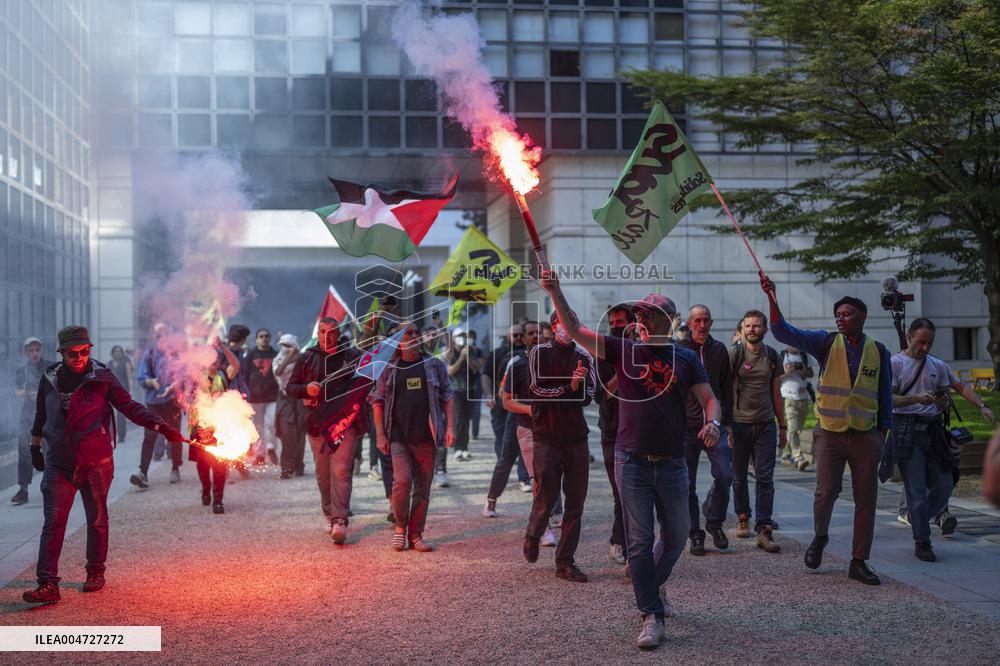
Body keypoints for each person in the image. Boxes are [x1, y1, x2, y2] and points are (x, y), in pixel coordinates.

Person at [540, 274, 721, 649]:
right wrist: (556, 291)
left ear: (668, 320)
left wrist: (714, 422)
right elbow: (574, 329)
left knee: (675, 539)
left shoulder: (685, 357)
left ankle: (650, 585)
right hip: (631, 461)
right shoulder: (622, 350)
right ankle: (651, 615)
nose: (641, 318)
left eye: (649, 314)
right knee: (640, 541)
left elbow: (709, 399)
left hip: (672, 463)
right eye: (639, 312)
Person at [23, 326, 186, 604]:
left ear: (90, 349)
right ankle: (48, 584)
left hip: (95, 461)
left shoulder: (101, 377)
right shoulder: (49, 377)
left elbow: (130, 407)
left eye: (84, 352)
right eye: (73, 353)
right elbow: (40, 415)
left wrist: (162, 426)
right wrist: (34, 446)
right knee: (53, 523)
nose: (79, 358)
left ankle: (95, 572)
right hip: (59, 462)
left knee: (97, 519)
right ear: (61, 352)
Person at [763, 274, 892, 585]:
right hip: (830, 434)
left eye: (847, 314)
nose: (841, 318)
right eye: (838, 315)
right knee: (825, 493)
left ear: (863, 317)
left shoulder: (880, 351)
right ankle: (820, 536)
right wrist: (772, 297)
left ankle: (858, 561)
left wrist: (881, 437)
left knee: (866, 500)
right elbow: (781, 331)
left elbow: (885, 396)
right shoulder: (825, 342)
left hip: (865, 435)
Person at [891, 318, 995, 561]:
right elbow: (887, 399)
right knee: (915, 490)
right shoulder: (895, 363)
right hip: (907, 431)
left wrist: (981, 405)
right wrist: (915, 399)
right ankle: (922, 541)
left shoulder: (937, 365)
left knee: (945, 485)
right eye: (921, 342)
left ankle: (919, 520)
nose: (925, 348)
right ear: (909, 337)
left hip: (934, 431)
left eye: (930, 343)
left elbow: (959, 388)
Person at [521, 311, 595, 583]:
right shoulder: (539, 353)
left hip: (576, 438)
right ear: (553, 327)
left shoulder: (584, 355)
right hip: (546, 437)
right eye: (562, 324)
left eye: (572, 323)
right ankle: (533, 533)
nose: (568, 329)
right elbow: (536, 390)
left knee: (575, 503)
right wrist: (570, 386)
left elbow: (589, 395)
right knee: (546, 496)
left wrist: (578, 386)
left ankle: (565, 561)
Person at [371, 323, 455, 552]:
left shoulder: (434, 365)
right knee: (403, 481)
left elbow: (448, 395)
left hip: (427, 437)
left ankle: (416, 533)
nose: (414, 336)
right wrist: (380, 435)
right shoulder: (388, 368)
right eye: (408, 333)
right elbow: (377, 402)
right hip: (398, 437)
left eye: (417, 332)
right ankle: (400, 527)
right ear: (398, 339)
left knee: (423, 488)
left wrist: (450, 428)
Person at [286, 317, 364, 544]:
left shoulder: (351, 357)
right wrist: (306, 389)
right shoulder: (306, 358)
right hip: (317, 424)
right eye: (322, 332)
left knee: (341, 471)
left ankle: (340, 520)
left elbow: (365, 383)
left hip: (345, 423)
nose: (327, 337)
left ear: (339, 334)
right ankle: (329, 512)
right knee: (323, 474)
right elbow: (290, 388)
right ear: (317, 333)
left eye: (332, 332)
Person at [678, 305, 734, 556]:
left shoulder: (719, 350)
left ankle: (714, 521)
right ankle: (695, 534)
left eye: (706, 320)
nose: (702, 325)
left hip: (715, 426)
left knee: (725, 475)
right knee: (686, 484)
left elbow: (724, 388)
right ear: (689, 324)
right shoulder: (678, 350)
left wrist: (728, 424)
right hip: (686, 429)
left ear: (711, 323)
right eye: (697, 321)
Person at [729, 310, 785, 553]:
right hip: (739, 423)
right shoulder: (735, 354)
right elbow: (727, 389)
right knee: (738, 475)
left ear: (765, 329)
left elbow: (776, 393)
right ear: (742, 329)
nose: (752, 329)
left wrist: (782, 425)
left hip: (765, 424)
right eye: (748, 326)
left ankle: (764, 528)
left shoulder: (772, 355)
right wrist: (728, 425)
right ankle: (743, 516)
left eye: (757, 325)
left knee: (765, 477)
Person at [484, 322, 543, 517]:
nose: (534, 337)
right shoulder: (513, 360)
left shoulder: (550, 359)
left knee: (547, 465)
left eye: (538, 333)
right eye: (528, 334)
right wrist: (524, 407)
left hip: (543, 418)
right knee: (506, 459)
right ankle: (492, 499)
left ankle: (553, 511)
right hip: (516, 416)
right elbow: (503, 392)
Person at [595, 305, 633, 564]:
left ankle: (633, 545)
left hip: (640, 431)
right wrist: (619, 374)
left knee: (637, 492)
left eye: (620, 322)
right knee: (620, 491)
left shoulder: (641, 351)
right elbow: (598, 396)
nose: (615, 326)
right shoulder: (603, 356)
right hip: (612, 432)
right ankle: (619, 542)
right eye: (612, 322)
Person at [188, 342, 241, 514]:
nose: (212, 362)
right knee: (203, 464)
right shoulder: (196, 375)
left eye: (215, 359)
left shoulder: (224, 375)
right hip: (199, 426)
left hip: (221, 425)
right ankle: (206, 488)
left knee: (220, 464)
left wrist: (224, 347)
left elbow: (236, 365)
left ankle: (218, 500)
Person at [131, 324, 184, 488]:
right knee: (149, 436)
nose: (165, 341)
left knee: (174, 435)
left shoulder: (176, 355)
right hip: (153, 402)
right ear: (157, 339)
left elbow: (182, 375)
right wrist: (152, 382)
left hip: (172, 401)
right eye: (161, 338)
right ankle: (143, 473)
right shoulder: (149, 355)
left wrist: (172, 386)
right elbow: (141, 377)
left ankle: (175, 468)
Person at [481, 324, 530, 492]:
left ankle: (524, 478)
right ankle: (502, 474)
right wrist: (488, 395)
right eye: (514, 335)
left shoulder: (529, 356)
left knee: (524, 444)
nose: (517, 338)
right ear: (507, 336)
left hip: (520, 407)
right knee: (503, 445)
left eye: (520, 335)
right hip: (500, 406)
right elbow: (486, 375)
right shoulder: (497, 353)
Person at [11, 337, 52, 505]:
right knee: (24, 450)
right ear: (26, 353)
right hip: (27, 416)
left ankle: (51, 485)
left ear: (41, 350)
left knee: (50, 451)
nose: (34, 354)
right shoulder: (21, 371)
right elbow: (17, 390)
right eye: (31, 351)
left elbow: (60, 389)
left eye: (37, 350)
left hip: (48, 416)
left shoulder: (50, 367)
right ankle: (23, 489)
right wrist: (17, 393)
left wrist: (43, 394)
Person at [243, 328, 279, 465]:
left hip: (272, 396)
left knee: (273, 424)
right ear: (256, 339)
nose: (264, 338)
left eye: (266, 336)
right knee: (258, 427)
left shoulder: (275, 354)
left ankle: (271, 449)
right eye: (261, 336)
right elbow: (245, 375)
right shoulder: (251, 356)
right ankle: (259, 455)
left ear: (270, 338)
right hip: (255, 397)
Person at [445, 328, 481, 462]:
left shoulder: (470, 351)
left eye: (464, 336)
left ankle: (465, 448)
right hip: (456, 390)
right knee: (459, 418)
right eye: (459, 336)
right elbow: (450, 371)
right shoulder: (451, 353)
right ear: (454, 338)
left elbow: (476, 368)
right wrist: (461, 357)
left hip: (470, 389)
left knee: (466, 419)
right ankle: (458, 448)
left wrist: (467, 357)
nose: (462, 338)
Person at [274, 333, 306, 478]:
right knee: (287, 434)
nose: (285, 348)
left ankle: (299, 466)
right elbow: (278, 371)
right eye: (283, 345)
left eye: (289, 346)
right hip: (285, 399)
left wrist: (298, 357)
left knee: (300, 433)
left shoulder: (303, 359)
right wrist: (290, 356)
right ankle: (286, 468)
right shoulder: (279, 359)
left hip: (300, 399)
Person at [780, 346, 813, 471]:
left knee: (797, 429)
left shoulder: (804, 355)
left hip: (803, 397)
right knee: (793, 428)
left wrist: (803, 370)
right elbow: (776, 378)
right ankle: (798, 457)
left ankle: (785, 454)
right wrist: (787, 371)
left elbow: (810, 374)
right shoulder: (782, 356)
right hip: (788, 397)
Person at [107, 345, 134, 444]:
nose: (117, 353)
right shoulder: (109, 364)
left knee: (121, 415)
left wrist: (130, 391)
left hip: (122, 391)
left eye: (119, 351)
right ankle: (111, 435)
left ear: (122, 353)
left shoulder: (125, 363)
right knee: (110, 414)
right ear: (112, 352)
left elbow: (129, 377)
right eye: (115, 351)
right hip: (110, 391)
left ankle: (122, 436)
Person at [467, 329, 484, 440]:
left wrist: (470, 355)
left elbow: (479, 366)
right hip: (464, 382)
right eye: (467, 337)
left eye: (471, 337)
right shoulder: (461, 350)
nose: (469, 339)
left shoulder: (478, 351)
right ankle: (463, 432)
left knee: (476, 408)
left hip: (476, 381)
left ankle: (475, 433)